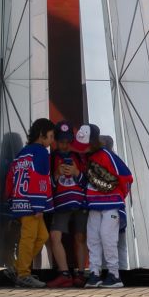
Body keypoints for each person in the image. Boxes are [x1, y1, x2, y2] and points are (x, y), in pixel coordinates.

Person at [4, 118, 56, 287]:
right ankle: (23, 274)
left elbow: (12, 177)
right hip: (32, 203)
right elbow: (39, 181)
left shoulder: (23, 152)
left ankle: (18, 269)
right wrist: (39, 205)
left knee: (43, 236)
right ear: (42, 136)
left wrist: (10, 200)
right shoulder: (41, 153)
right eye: (50, 136)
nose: (52, 140)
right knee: (29, 237)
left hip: (20, 200)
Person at [79, 125, 132, 290]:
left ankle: (114, 275)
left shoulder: (106, 155)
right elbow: (85, 181)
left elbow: (126, 176)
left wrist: (118, 196)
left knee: (107, 237)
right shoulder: (87, 158)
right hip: (94, 204)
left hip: (111, 204)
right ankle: (94, 273)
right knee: (93, 238)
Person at [46, 122, 86, 287]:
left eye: (67, 141)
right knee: (55, 236)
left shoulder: (79, 156)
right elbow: (46, 184)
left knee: (80, 237)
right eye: (61, 141)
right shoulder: (51, 158)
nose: (64, 144)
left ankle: (82, 273)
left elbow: (89, 182)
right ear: (55, 140)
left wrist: (76, 172)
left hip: (79, 202)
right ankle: (64, 273)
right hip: (60, 203)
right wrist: (56, 174)